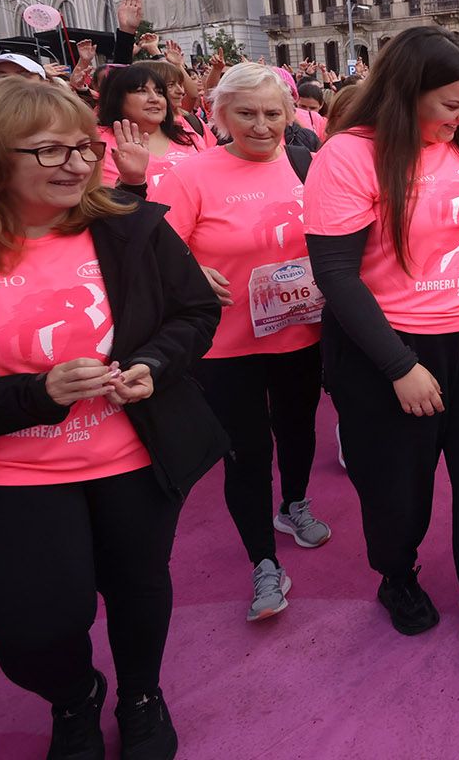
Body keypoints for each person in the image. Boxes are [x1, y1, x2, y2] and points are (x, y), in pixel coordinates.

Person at [0, 77, 226, 760]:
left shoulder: (128, 225)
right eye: (49, 151)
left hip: (132, 458)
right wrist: (34, 395)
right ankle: (74, 695)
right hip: (6, 473)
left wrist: (154, 365)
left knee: (140, 590)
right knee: (32, 634)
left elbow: (194, 314)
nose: (78, 164)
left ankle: (140, 695)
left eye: (85, 146)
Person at [303, 26, 459, 654]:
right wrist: (398, 366)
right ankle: (397, 578)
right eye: (452, 105)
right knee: (397, 486)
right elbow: (335, 274)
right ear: (407, 91)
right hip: (394, 349)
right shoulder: (349, 155)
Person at [151, 63, 330, 624]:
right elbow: (155, 251)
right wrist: (188, 272)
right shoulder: (190, 175)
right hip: (226, 345)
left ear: (290, 114)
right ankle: (263, 561)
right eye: (247, 114)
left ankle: (293, 504)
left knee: (299, 428)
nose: (261, 125)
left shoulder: (307, 163)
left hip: (302, 331)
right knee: (246, 452)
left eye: (272, 113)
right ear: (220, 115)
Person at [95, 64, 205, 193]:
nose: (154, 99)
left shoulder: (189, 137)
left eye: (159, 92)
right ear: (117, 99)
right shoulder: (97, 143)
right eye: (141, 90)